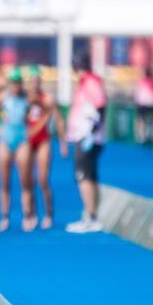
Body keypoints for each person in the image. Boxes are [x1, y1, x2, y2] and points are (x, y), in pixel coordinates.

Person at [0, 68, 35, 232]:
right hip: (5, 140)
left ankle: (27, 215)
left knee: (25, 181)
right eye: (13, 83)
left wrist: (33, 130)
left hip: (22, 139)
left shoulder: (27, 98)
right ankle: (5, 218)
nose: (16, 86)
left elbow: (46, 108)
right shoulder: (3, 97)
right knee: (4, 182)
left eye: (18, 83)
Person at [66, 51, 107, 233]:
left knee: (84, 176)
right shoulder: (86, 82)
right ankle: (90, 213)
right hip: (83, 135)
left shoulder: (91, 82)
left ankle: (91, 216)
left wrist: (92, 132)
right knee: (88, 176)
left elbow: (101, 106)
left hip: (87, 136)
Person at [27, 66, 67, 230]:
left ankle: (49, 213)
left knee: (42, 180)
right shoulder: (25, 98)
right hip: (27, 141)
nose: (35, 84)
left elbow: (59, 119)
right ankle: (31, 214)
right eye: (32, 80)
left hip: (43, 140)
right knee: (27, 180)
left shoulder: (47, 99)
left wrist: (63, 144)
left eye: (38, 80)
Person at [134, 67, 153, 145]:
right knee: (152, 119)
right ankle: (152, 134)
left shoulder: (141, 82)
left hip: (143, 104)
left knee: (141, 120)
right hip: (152, 104)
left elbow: (137, 94)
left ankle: (141, 137)